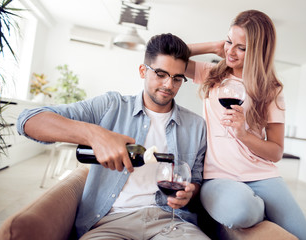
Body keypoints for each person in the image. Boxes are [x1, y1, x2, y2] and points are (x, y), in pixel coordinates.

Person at [17, 33, 209, 240]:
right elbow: (28, 120)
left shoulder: (196, 126)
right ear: (143, 71)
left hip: (172, 222)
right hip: (111, 222)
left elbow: (196, 179)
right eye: (160, 74)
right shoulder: (111, 106)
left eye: (177, 78)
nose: (169, 85)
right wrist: (94, 134)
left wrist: (190, 192)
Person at [185, 10, 306, 240]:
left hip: (263, 176)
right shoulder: (211, 74)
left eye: (241, 47)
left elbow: (276, 152)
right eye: (229, 41)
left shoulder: (271, 89)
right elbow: (165, 54)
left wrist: (243, 134)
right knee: (242, 211)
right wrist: (213, 46)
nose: (230, 51)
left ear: (257, 51)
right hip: (219, 176)